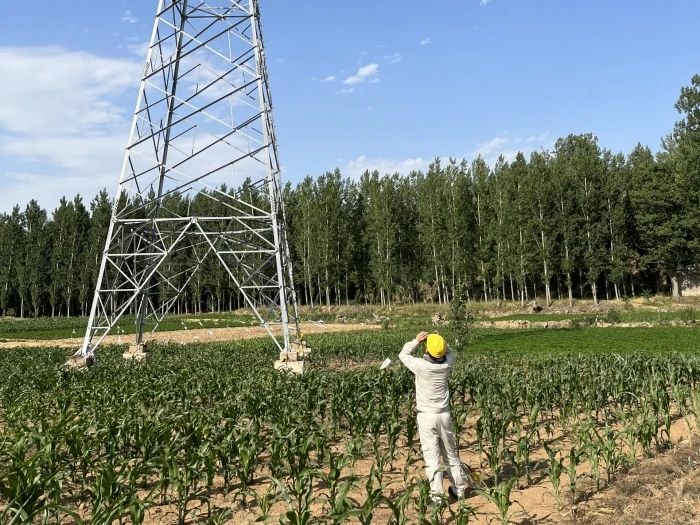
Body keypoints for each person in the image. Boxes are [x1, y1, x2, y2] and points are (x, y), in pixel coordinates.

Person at [399, 331, 467, 500]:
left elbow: (403, 354)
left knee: (432, 459)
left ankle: (437, 497)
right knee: (451, 455)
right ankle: (459, 491)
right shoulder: (447, 365)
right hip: (444, 416)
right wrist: (440, 342)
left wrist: (416, 340)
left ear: (427, 351)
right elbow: (450, 353)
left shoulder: (421, 366)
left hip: (427, 417)